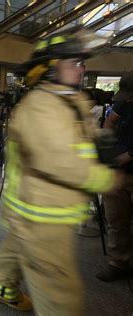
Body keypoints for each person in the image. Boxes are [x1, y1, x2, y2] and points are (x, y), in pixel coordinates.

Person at [0, 31, 122, 314]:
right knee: (60, 292)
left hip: (36, 210)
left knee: (17, 246)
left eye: (82, 62)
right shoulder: (43, 106)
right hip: (43, 215)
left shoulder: (67, 101)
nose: (82, 68)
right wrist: (107, 178)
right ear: (50, 67)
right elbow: (62, 162)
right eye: (75, 62)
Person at [97, 71, 133, 282]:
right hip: (118, 171)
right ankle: (118, 262)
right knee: (115, 220)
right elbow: (110, 122)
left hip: (126, 165)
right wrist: (109, 152)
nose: (128, 99)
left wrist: (126, 157)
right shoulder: (124, 103)